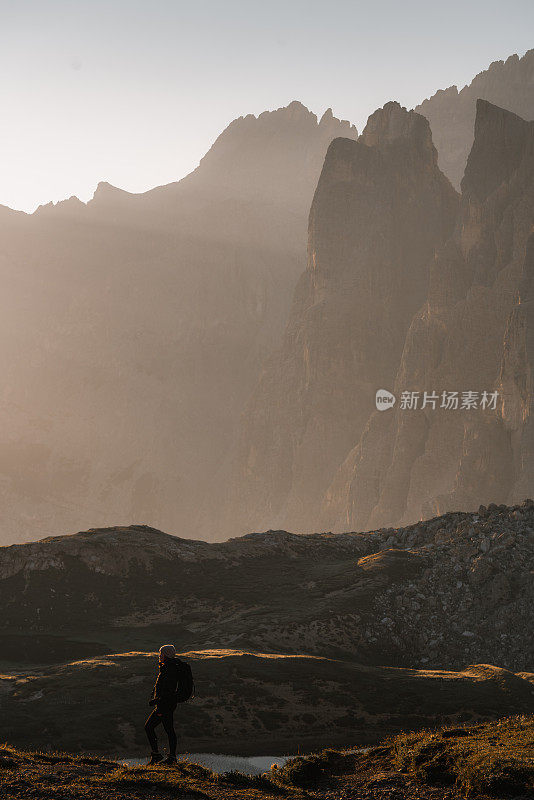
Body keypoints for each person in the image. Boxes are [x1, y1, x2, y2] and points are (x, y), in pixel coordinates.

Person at [144, 644, 180, 765]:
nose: (160, 656)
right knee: (169, 730)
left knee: (149, 727)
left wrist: (158, 705)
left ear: (166, 655)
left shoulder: (169, 669)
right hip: (167, 705)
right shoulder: (169, 667)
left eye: (161, 654)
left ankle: (160, 756)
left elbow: (166, 691)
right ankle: (170, 757)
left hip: (164, 706)